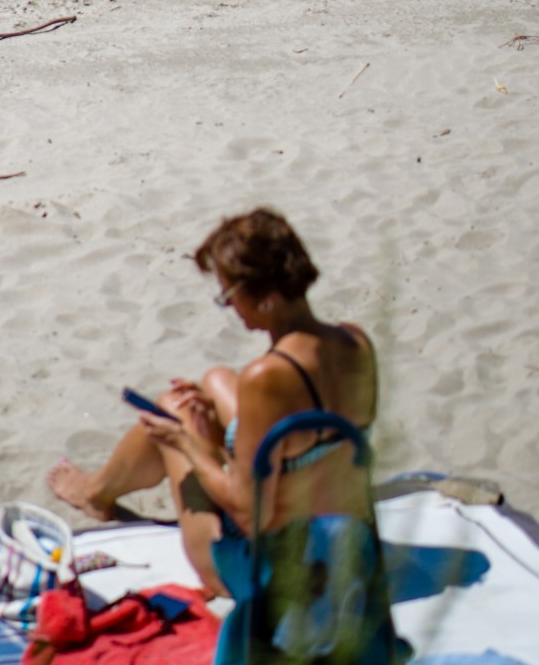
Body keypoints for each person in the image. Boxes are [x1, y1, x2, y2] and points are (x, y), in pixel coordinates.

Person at [47, 207, 377, 592]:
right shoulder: (356, 341)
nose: (231, 307)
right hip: (346, 548)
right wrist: (218, 433)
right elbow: (304, 441)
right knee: (217, 380)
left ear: (265, 298)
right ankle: (101, 488)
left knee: (174, 409)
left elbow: (248, 511)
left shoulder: (268, 378)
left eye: (229, 296)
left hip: (276, 576)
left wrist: (187, 444)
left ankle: (96, 493)